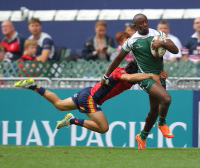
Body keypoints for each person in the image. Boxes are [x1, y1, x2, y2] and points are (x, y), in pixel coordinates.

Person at [14, 60, 168, 134]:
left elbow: (138, 79)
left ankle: (32, 85)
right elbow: (130, 78)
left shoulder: (124, 70)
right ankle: (72, 120)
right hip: (90, 99)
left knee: (59, 104)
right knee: (104, 128)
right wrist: (149, 74)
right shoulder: (122, 74)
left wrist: (160, 76)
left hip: (87, 93)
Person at [101, 13, 179, 149]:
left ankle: (142, 137)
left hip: (159, 76)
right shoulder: (132, 41)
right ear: (135, 26)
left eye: (146, 22)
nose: (144, 25)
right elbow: (118, 59)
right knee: (166, 99)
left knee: (154, 111)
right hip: (145, 78)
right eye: (141, 23)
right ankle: (162, 123)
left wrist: (162, 43)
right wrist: (106, 76)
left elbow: (175, 49)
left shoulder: (158, 34)